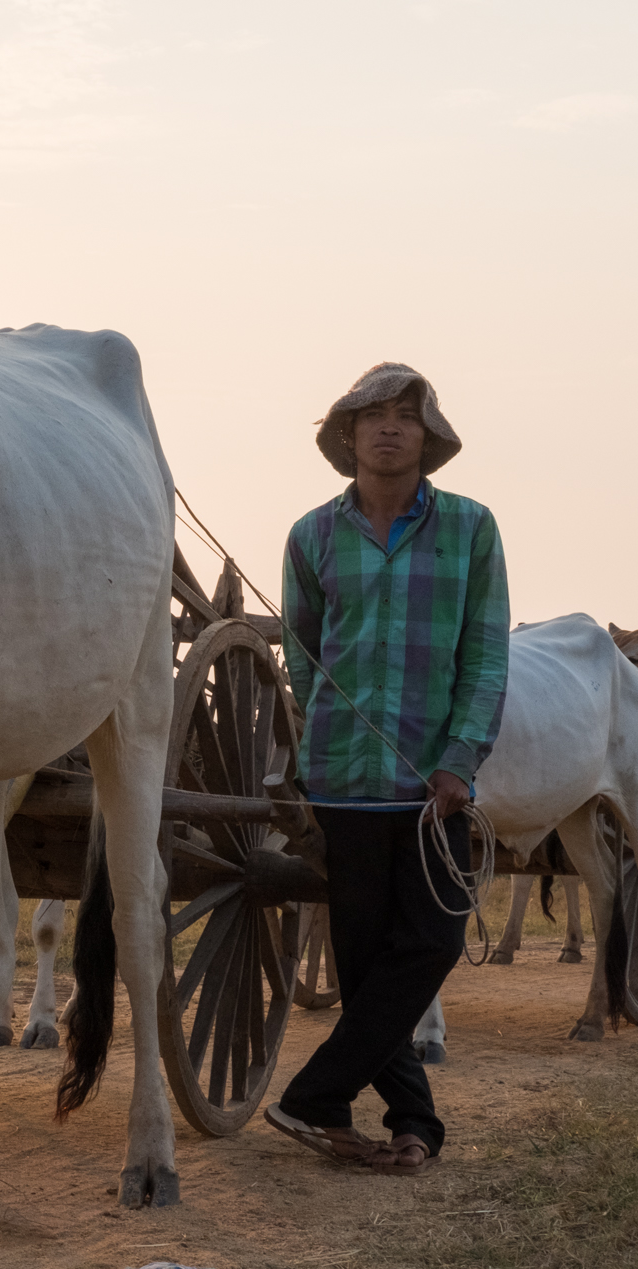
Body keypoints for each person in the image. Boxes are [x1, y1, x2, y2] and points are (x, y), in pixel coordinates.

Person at [265, 362, 509, 1177]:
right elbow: (303, 657)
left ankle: (314, 1093)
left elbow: (484, 656)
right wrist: (323, 738)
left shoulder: (472, 529)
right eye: (372, 415)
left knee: (433, 942)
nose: (389, 427)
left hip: (432, 792)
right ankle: (415, 1119)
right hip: (342, 780)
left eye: (406, 414)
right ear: (348, 435)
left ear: (428, 436)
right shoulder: (312, 536)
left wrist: (459, 759)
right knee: (367, 963)